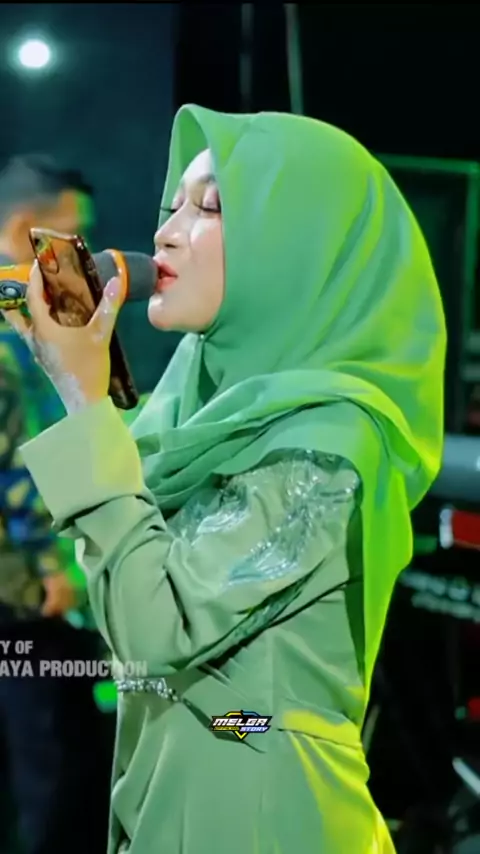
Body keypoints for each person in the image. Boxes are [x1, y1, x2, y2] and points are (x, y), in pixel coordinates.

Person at [6, 106, 446, 853]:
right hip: (205, 771)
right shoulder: (193, 418)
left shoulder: (327, 440)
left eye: (210, 207)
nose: (166, 233)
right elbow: (210, 695)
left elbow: (156, 630)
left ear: (297, 246)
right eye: (173, 206)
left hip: (262, 813)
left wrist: (84, 401)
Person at [0, 154, 112, 854]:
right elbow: (16, 455)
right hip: (27, 594)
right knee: (56, 771)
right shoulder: (11, 315)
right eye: (71, 235)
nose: (81, 255)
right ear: (23, 228)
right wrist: (52, 565)